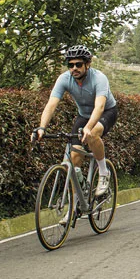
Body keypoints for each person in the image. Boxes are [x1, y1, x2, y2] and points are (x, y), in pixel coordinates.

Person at [31, 44, 117, 197]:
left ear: (87, 64)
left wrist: (89, 127)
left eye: (78, 64)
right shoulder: (64, 79)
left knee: (92, 134)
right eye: (70, 65)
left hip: (106, 112)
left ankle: (104, 173)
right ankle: (75, 203)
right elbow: (51, 104)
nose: (74, 68)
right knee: (74, 160)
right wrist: (41, 127)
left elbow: (100, 106)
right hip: (84, 115)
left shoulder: (99, 78)